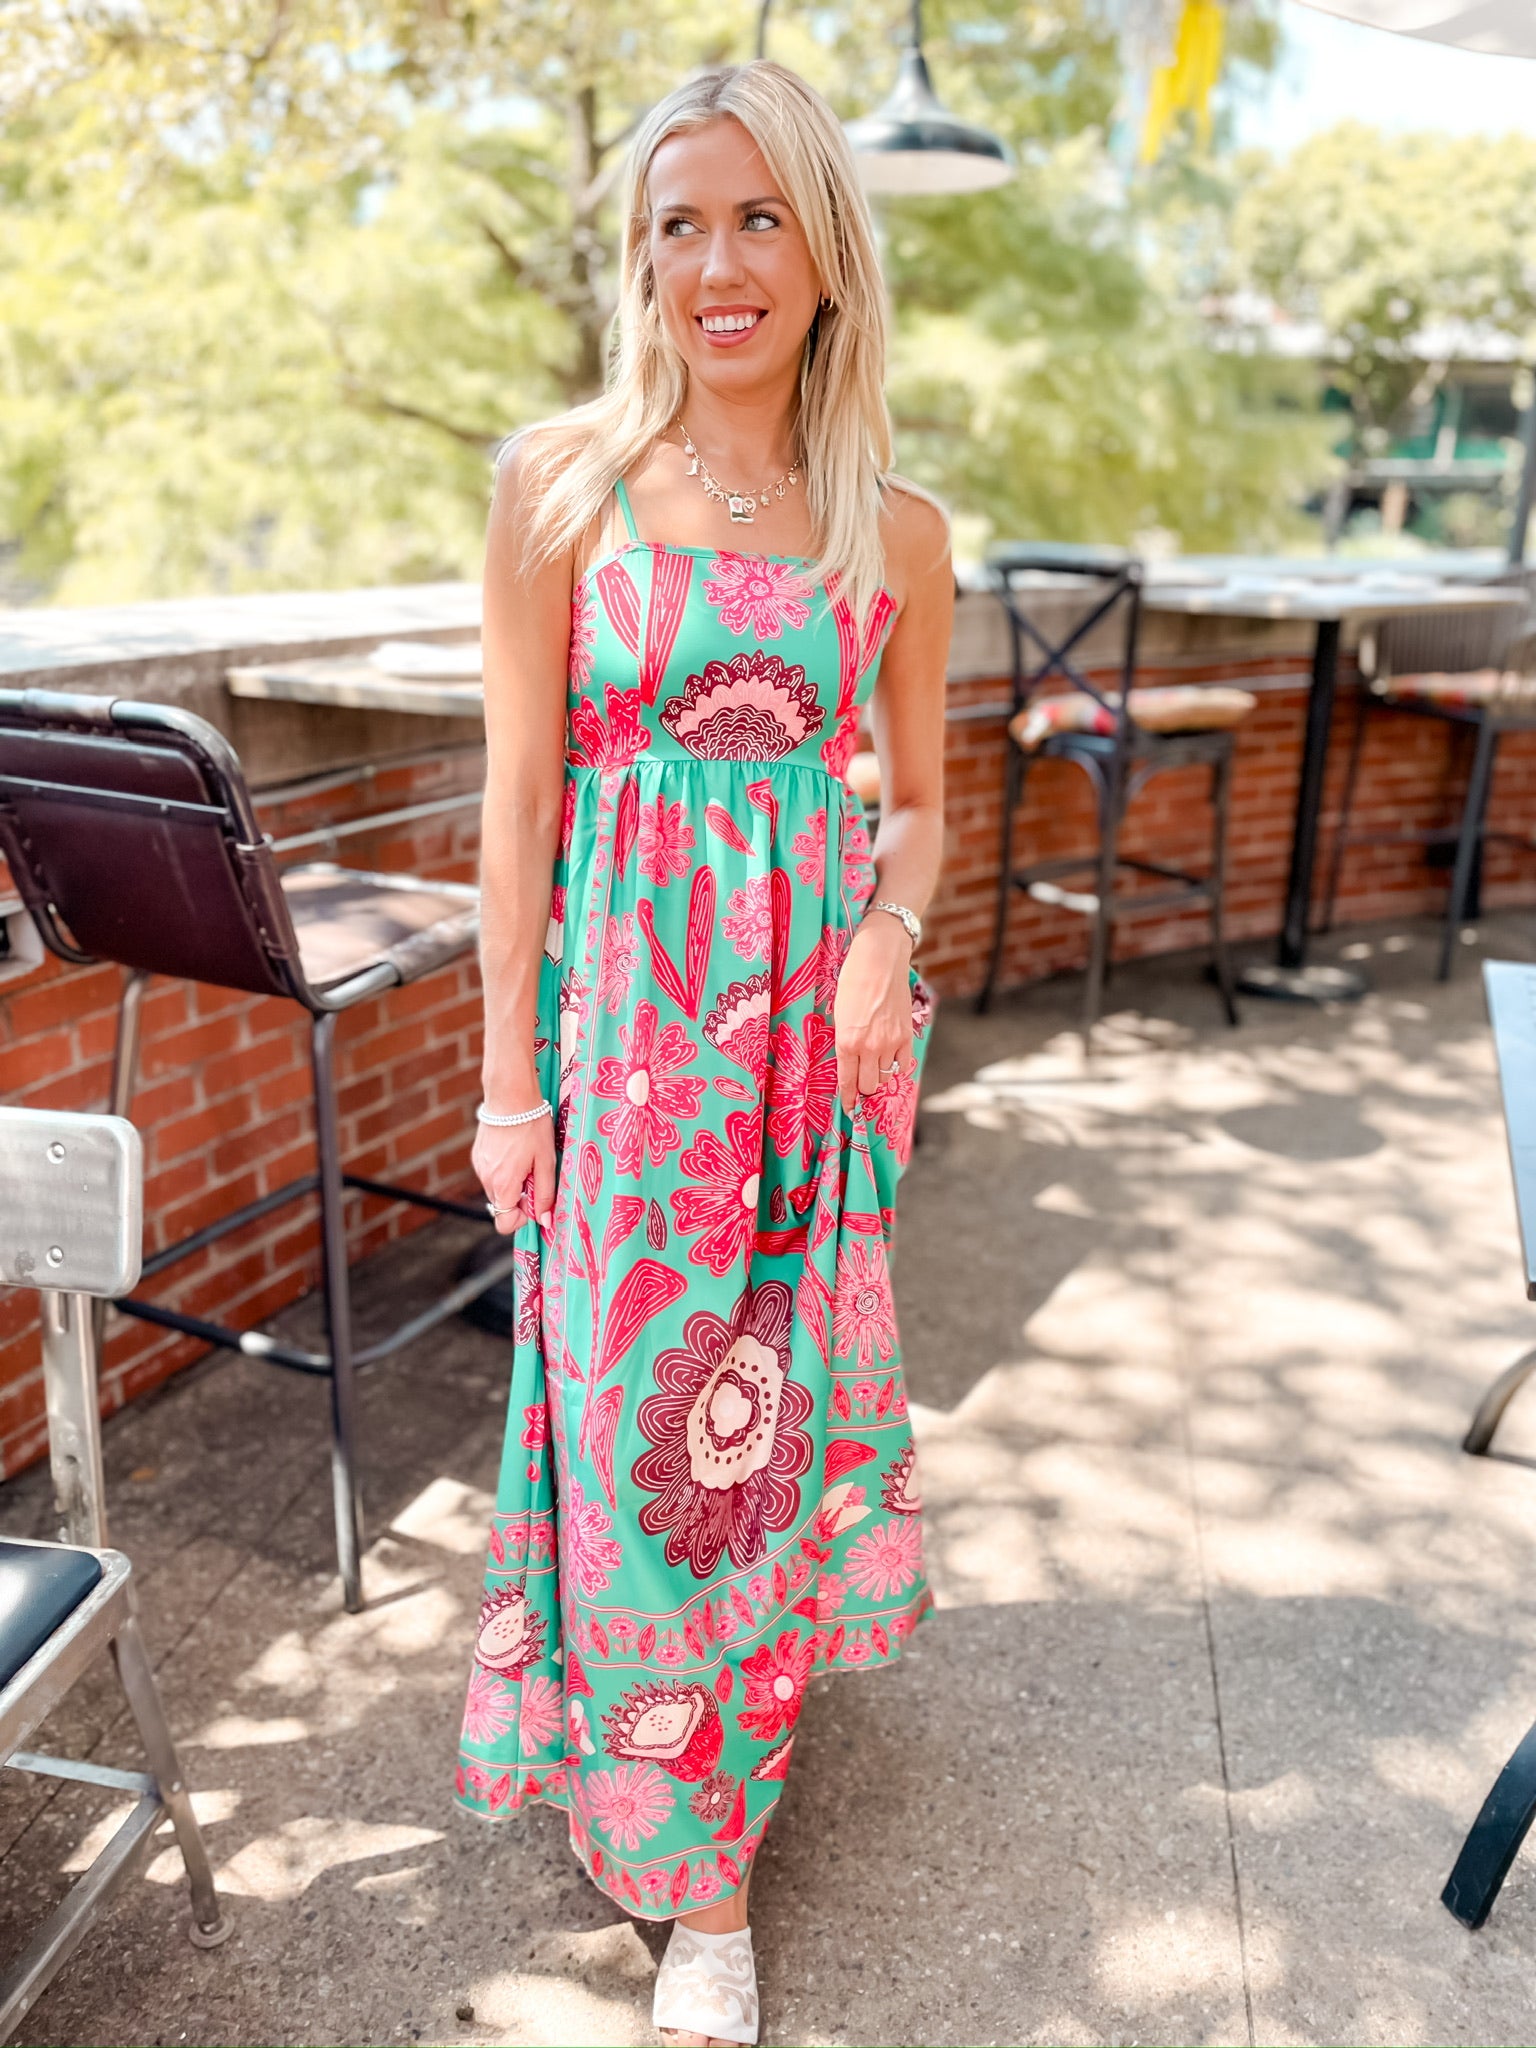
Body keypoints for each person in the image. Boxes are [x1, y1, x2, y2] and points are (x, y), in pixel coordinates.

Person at [455, 57, 952, 2048]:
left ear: (826, 248)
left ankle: (708, 1832)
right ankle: (692, 1858)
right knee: (637, 1442)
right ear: (641, 261)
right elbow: (513, 813)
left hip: (804, 1067)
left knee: (754, 1450)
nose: (715, 263)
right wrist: (510, 1079)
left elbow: (916, 804)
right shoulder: (559, 485)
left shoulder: (893, 529)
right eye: (678, 224)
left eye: (757, 219)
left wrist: (890, 928)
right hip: (629, 1053)